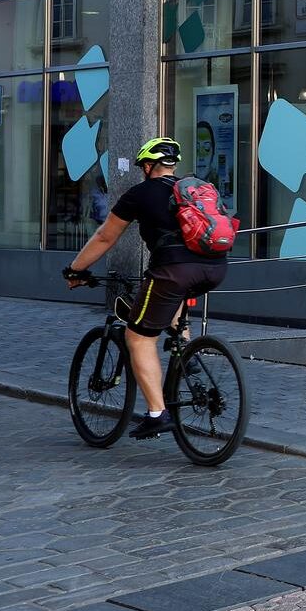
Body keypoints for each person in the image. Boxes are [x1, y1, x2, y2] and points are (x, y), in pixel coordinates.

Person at [63, 137, 229, 439]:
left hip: (173, 271)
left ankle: (157, 414)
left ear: (148, 166)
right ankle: (186, 351)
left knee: (137, 338)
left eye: (143, 166)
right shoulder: (193, 190)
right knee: (171, 301)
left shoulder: (140, 193)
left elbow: (104, 236)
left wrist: (76, 269)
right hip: (215, 268)